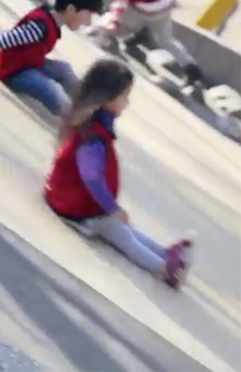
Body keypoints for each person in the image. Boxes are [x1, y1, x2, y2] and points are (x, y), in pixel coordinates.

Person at [45, 58, 194, 289]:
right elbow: (92, 177)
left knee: (124, 226)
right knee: (120, 233)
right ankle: (165, 269)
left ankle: (166, 253)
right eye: (125, 96)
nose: (127, 103)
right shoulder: (92, 135)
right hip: (76, 208)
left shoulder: (91, 124)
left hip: (78, 202)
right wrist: (111, 208)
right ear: (107, 98)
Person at [92, 0, 202, 86]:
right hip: (163, 5)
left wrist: (114, 21)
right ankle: (191, 67)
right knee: (166, 40)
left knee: (107, 25)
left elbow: (121, 3)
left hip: (146, 9)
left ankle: (137, 33)